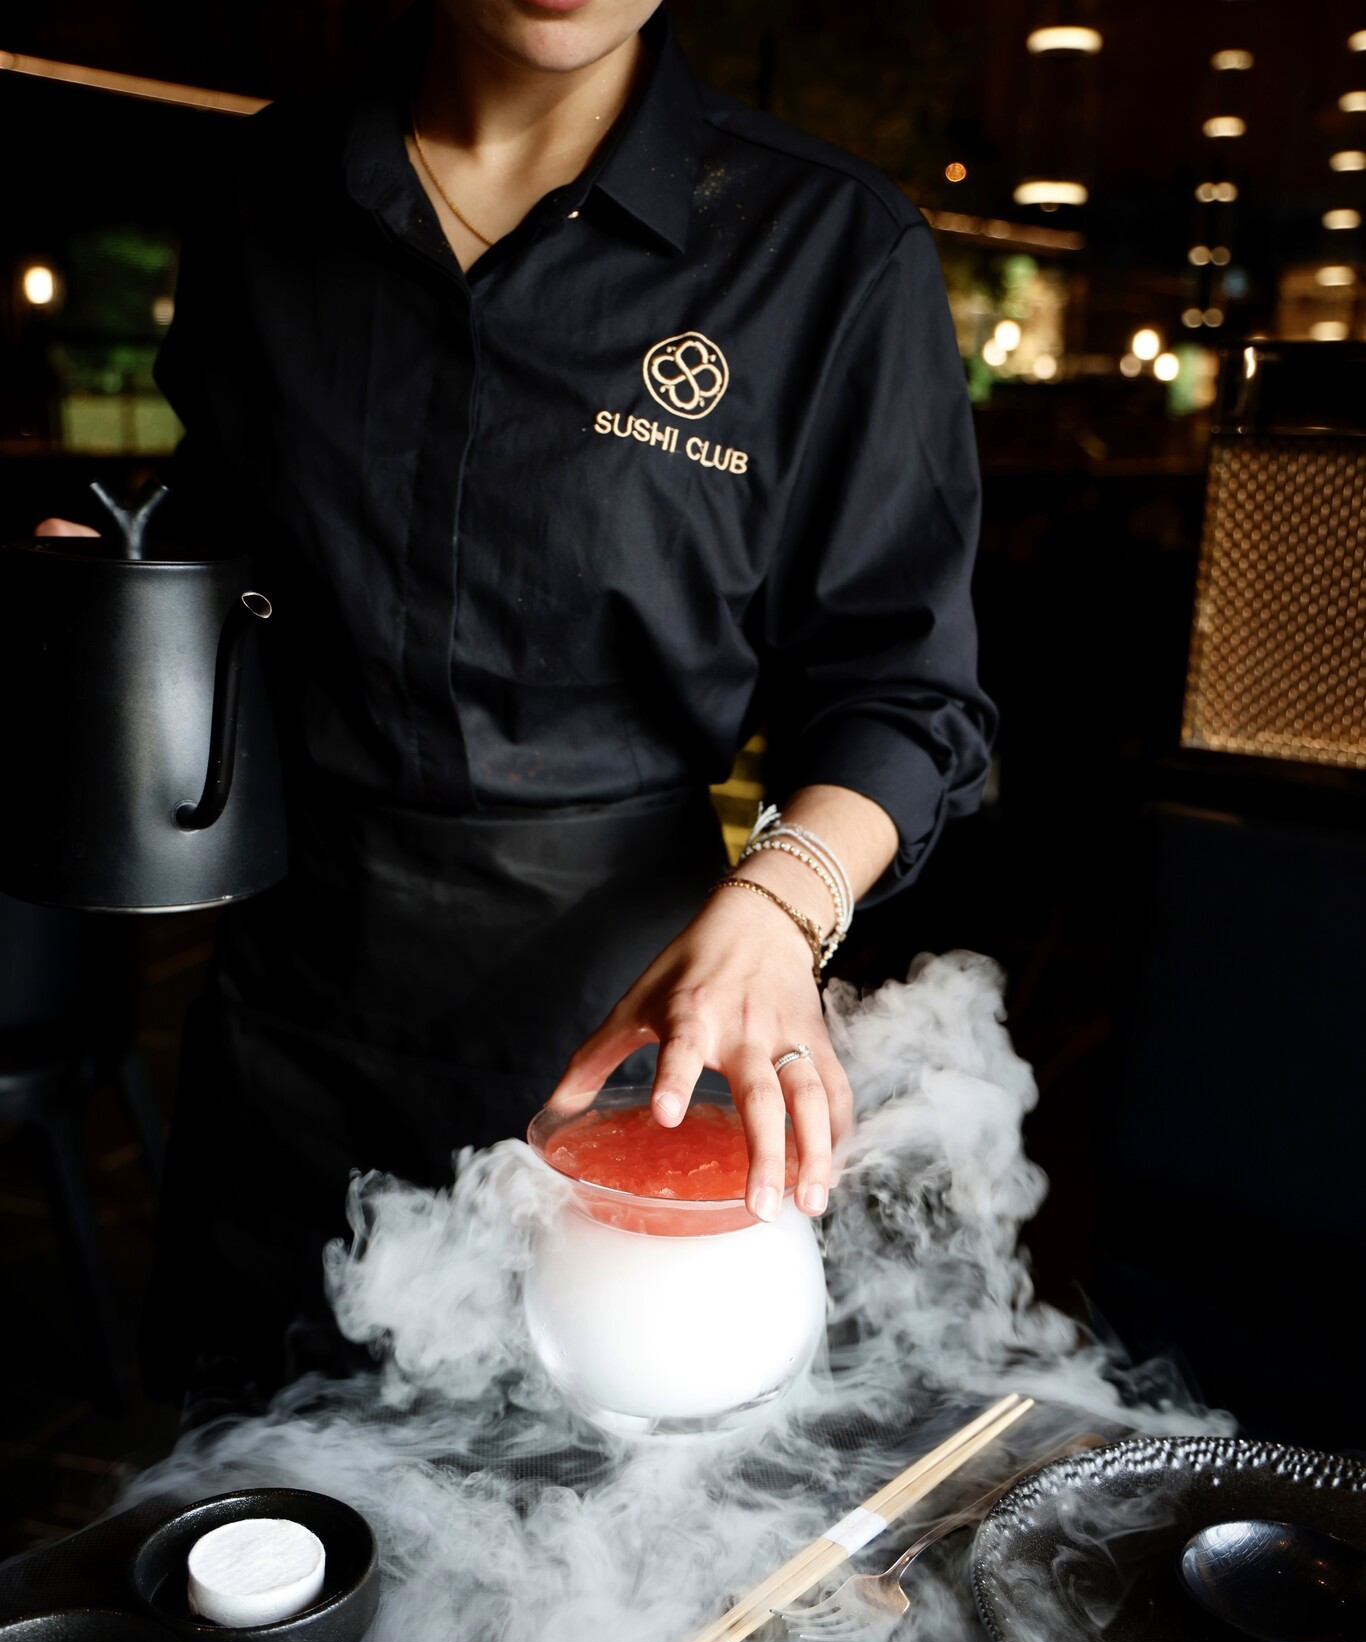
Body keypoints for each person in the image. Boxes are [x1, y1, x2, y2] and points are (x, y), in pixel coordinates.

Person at [41, 0, 992, 1413]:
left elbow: (905, 691)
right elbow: (243, 526)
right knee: (251, 1495)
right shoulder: (264, 193)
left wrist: (782, 902)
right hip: (291, 1006)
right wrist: (123, 580)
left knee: (581, 1531)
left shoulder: (825, 248)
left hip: (634, 1026)